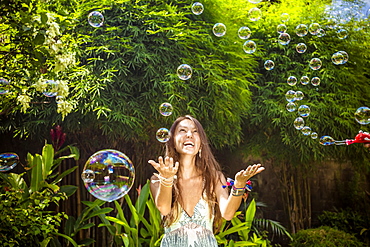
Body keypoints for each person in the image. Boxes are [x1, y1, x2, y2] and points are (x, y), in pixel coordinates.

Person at [148, 115, 265, 246]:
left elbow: (227, 213)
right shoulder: (158, 179)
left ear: (201, 143)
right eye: (182, 130)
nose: (189, 135)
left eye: (195, 131)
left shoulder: (215, 177)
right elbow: (164, 209)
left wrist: (239, 185)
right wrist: (167, 180)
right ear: (173, 141)